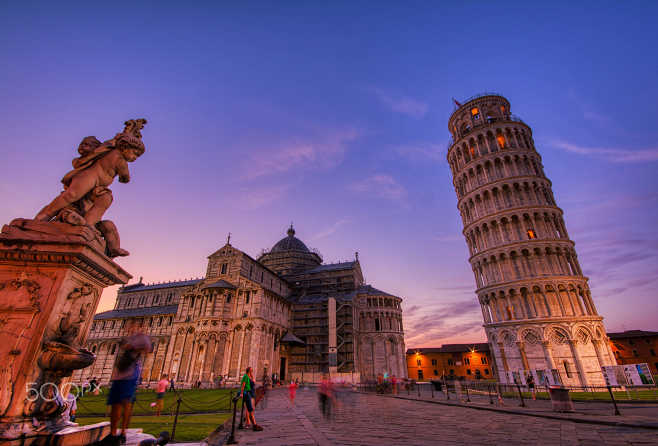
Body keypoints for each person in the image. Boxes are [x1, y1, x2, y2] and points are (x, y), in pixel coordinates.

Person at [106, 325, 152, 445]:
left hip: (129, 375)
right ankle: (113, 433)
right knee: (116, 404)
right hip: (120, 375)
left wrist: (134, 346)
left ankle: (123, 433)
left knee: (126, 403)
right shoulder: (130, 337)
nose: (131, 327)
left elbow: (148, 348)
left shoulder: (141, 338)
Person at [240, 367, 263, 431]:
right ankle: (248, 423)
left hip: (252, 394)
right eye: (251, 370)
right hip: (248, 394)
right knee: (248, 409)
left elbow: (253, 382)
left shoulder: (250, 376)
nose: (252, 371)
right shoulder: (245, 376)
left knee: (251, 409)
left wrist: (252, 376)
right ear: (249, 371)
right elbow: (243, 385)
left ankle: (251, 423)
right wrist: (241, 393)